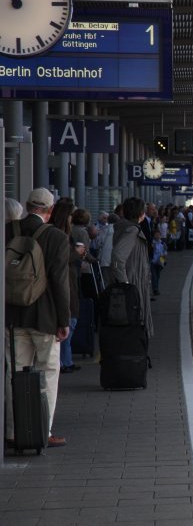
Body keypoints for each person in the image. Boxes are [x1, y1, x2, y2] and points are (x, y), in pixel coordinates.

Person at [4, 188, 70, 448]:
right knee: (48, 372)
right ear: (50, 210)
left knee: (14, 372)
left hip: (12, 315)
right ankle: (43, 429)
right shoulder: (56, 236)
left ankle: (12, 430)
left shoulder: (9, 231)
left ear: (27, 205)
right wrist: (63, 320)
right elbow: (59, 282)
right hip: (45, 318)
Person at [110, 197, 153, 339]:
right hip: (133, 284)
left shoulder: (125, 227)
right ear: (140, 213)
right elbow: (118, 258)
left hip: (134, 280)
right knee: (135, 322)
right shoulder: (131, 231)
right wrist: (126, 285)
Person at [49, 197, 83, 374]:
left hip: (68, 284)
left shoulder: (57, 234)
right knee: (69, 322)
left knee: (71, 321)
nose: (72, 219)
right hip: (65, 285)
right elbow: (60, 262)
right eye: (71, 215)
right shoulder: (59, 236)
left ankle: (65, 360)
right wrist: (76, 254)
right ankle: (64, 362)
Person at [150, 229, 167, 296]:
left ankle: (156, 288)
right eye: (156, 235)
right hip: (153, 262)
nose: (157, 236)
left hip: (160, 262)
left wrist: (165, 255)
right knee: (154, 276)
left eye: (158, 235)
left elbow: (165, 251)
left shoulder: (162, 243)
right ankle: (155, 289)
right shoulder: (152, 243)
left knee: (158, 276)